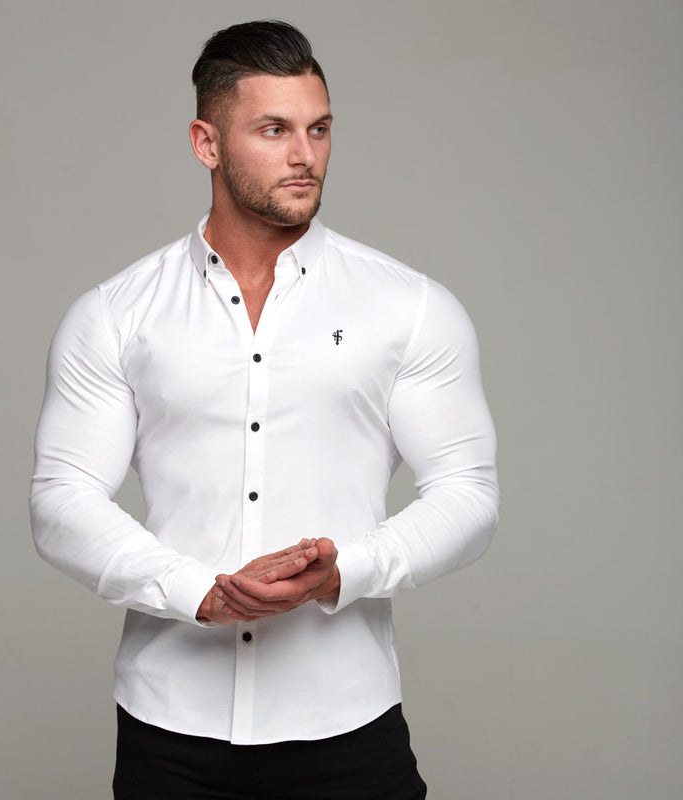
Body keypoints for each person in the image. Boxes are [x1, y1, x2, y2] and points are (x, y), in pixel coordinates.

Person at [30, 19, 499, 800]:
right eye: (274, 130)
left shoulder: (409, 307)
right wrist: (196, 591)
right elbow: (61, 498)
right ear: (206, 143)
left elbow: (468, 492)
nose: (305, 155)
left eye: (319, 129)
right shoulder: (116, 314)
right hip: (169, 730)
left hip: (347, 722)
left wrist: (346, 570)